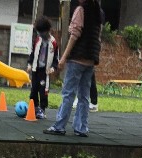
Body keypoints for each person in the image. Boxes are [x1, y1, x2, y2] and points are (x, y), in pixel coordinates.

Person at [44, 0, 103, 138]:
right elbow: (98, 38)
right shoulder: (98, 13)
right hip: (90, 60)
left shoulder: (80, 10)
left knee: (68, 93)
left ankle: (59, 126)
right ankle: (81, 128)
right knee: (84, 96)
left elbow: (74, 35)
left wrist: (63, 57)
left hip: (77, 58)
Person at [26, 18, 56, 118]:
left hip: (45, 71)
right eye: (39, 32)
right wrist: (29, 64)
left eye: (42, 32)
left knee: (43, 91)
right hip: (36, 69)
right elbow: (32, 53)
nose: (41, 34)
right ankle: (34, 108)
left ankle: (42, 109)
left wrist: (53, 68)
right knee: (33, 90)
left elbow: (56, 58)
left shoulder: (53, 43)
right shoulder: (37, 40)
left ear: (48, 30)